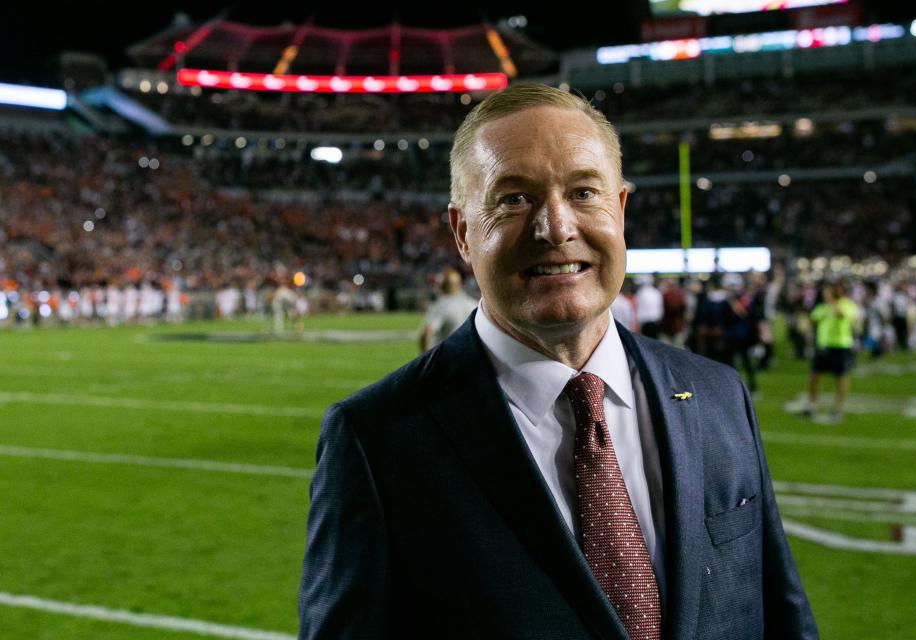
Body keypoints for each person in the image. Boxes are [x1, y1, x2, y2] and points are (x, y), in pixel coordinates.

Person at [298, 84, 818, 640]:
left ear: (620, 210)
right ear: (462, 232)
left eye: (583, 192)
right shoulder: (377, 440)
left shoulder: (717, 394)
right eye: (514, 198)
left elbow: (781, 617)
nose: (556, 227)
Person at [804, 282, 858, 422]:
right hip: (823, 345)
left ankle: (838, 407)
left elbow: (841, 315)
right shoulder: (822, 306)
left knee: (841, 378)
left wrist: (831, 302)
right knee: (814, 376)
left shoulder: (847, 304)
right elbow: (813, 319)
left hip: (841, 345)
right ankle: (812, 405)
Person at [417, 267, 478, 352]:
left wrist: (424, 358)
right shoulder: (473, 304)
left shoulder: (439, 306)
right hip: (468, 358)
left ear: (439, 287)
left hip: (444, 359)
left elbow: (425, 333)